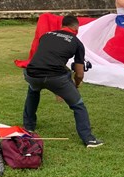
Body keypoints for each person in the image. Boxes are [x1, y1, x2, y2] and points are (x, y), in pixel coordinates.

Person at [22, 15, 103, 148]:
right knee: (78, 105)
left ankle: (28, 127)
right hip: (56, 78)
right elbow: (80, 73)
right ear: (76, 27)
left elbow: (45, 57)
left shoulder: (46, 35)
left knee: (33, 90)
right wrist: (74, 86)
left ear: (62, 25)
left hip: (32, 73)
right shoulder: (77, 43)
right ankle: (89, 139)